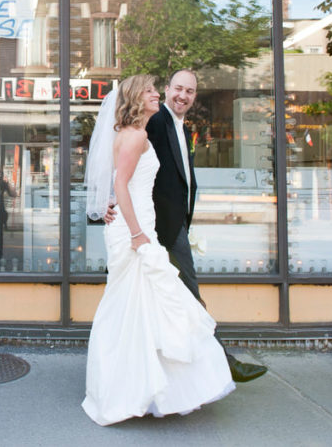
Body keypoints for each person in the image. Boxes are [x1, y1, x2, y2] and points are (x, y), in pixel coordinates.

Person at [82, 75, 234, 425]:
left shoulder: (133, 133)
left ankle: (146, 386)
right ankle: (138, 388)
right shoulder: (136, 136)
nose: (158, 95)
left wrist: (118, 211)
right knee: (137, 305)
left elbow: (121, 181)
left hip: (139, 225)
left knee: (139, 308)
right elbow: (121, 182)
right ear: (139, 97)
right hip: (136, 231)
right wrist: (137, 234)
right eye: (152, 91)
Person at [142, 69, 268, 383]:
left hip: (174, 226)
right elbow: (132, 168)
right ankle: (225, 364)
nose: (183, 96)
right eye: (178, 89)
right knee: (192, 299)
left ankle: (172, 371)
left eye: (190, 92)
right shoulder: (156, 123)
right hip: (162, 231)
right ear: (167, 89)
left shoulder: (182, 129)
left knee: (171, 303)